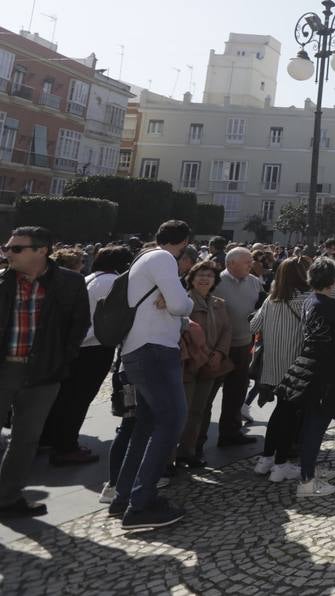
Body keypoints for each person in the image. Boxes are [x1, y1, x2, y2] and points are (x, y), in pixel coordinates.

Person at [0, 227, 91, 518]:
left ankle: (7, 497)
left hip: (43, 372)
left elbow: (78, 325)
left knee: (26, 438)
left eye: (16, 248)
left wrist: (62, 360)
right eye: (7, 247)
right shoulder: (2, 281)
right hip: (4, 367)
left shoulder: (70, 283)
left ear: (41, 251)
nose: (7, 253)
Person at [111, 220, 195, 530]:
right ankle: (141, 504)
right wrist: (183, 303)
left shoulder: (145, 258)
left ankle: (124, 497)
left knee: (145, 425)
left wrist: (173, 304)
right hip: (154, 350)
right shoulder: (163, 259)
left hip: (141, 349)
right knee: (173, 420)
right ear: (185, 241)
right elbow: (179, 305)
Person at [271, 257, 335, 497]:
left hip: (305, 363)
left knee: (309, 423)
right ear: (333, 281)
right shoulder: (331, 304)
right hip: (325, 370)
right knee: (315, 426)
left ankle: (308, 469)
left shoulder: (309, 300)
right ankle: (307, 481)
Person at [40, 244, 132, 466]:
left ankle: (52, 438)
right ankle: (66, 446)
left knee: (66, 397)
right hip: (94, 346)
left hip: (80, 345)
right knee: (78, 399)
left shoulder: (92, 277)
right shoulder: (112, 282)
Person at [251, 257, 309, 480]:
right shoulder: (306, 300)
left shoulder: (271, 300)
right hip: (294, 367)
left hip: (272, 366)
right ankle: (281, 463)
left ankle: (266, 459)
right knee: (289, 417)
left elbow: (253, 325)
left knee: (278, 414)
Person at [177, 261, 232, 469]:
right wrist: (203, 354)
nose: (204, 278)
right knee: (182, 410)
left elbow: (226, 330)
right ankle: (169, 456)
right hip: (188, 363)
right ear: (191, 278)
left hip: (210, 365)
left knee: (199, 410)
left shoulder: (219, 303)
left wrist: (219, 353)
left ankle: (188, 452)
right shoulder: (183, 302)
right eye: (200, 274)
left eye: (209, 275)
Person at [211, 247, 263, 448]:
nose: (251, 265)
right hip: (219, 346)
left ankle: (230, 433)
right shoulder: (216, 282)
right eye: (247, 262)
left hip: (244, 344)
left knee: (237, 390)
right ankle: (196, 440)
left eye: (251, 261)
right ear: (231, 264)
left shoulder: (254, 282)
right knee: (209, 393)